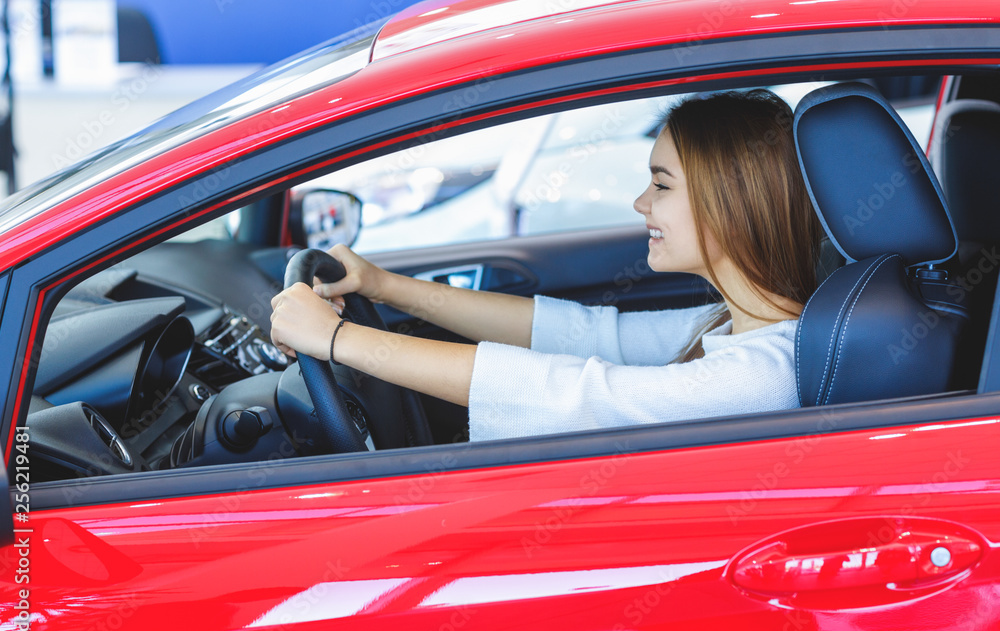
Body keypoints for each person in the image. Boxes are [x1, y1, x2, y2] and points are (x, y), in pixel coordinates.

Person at [269, 89, 822, 441]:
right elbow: (580, 335)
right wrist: (384, 285)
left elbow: (566, 394)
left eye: (660, 184)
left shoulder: (760, 376)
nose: (640, 203)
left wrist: (339, 340)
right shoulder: (735, 328)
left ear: (732, 202)